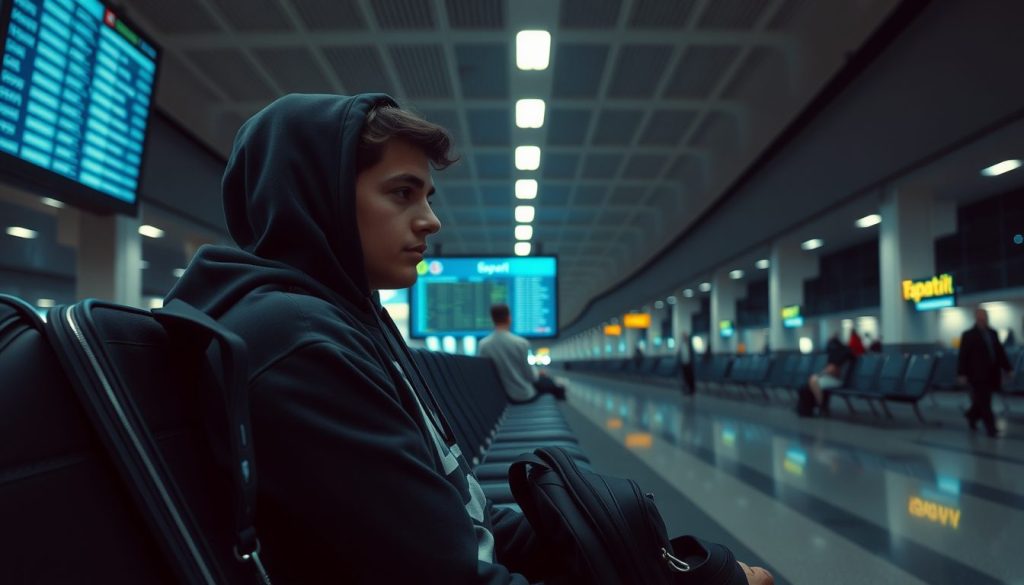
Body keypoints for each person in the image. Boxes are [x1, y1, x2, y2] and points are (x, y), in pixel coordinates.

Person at [167, 95, 545, 583]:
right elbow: (440, 575)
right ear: (319, 197)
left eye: (428, 197)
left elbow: (466, 513)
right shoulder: (300, 343)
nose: (431, 220)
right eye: (403, 193)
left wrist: (589, 536)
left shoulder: (354, 317)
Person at [478, 303, 565, 402]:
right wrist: (538, 373)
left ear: (492, 319)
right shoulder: (521, 343)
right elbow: (531, 377)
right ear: (509, 318)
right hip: (523, 395)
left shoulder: (483, 345)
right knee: (553, 385)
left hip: (502, 397)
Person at [958, 308, 1013, 437]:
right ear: (976, 318)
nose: (983, 319)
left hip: (992, 373)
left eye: (984, 317)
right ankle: (991, 428)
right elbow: (963, 356)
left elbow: (999, 353)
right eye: (980, 317)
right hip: (977, 374)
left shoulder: (993, 333)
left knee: (980, 401)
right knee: (985, 401)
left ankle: (971, 415)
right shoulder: (968, 335)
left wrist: (1008, 368)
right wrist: (961, 373)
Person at [807, 333, 852, 411]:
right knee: (813, 380)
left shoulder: (839, 357)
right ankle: (820, 404)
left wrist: (820, 375)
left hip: (837, 380)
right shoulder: (844, 354)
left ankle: (820, 405)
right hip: (835, 379)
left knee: (813, 380)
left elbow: (831, 370)